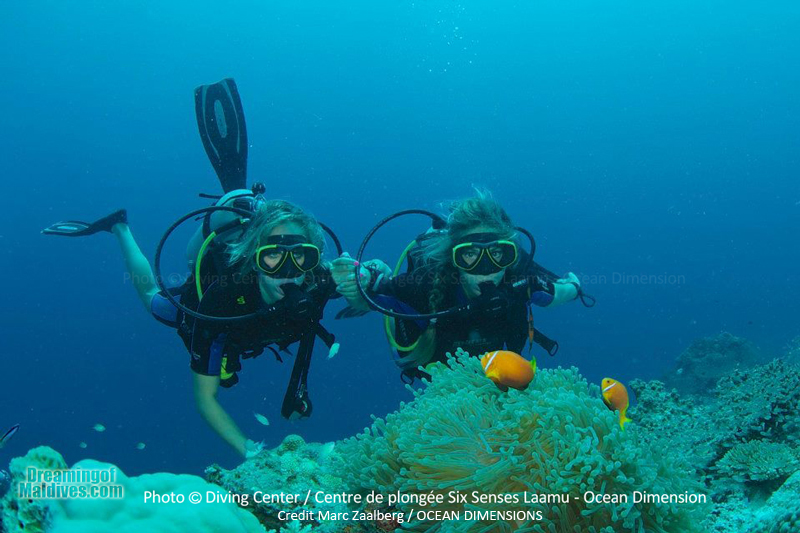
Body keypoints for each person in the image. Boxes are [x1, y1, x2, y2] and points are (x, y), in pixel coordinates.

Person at [42, 79, 354, 457]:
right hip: (211, 280)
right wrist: (251, 450)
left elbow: (375, 282)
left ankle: (239, 207)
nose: (287, 269)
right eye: (271, 256)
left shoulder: (318, 280)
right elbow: (206, 399)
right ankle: (120, 226)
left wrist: (365, 275)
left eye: (300, 256)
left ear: (312, 259)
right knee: (153, 298)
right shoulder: (219, 303)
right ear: (253, 260)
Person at [332, 190, 590, 381]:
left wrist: (575, 285)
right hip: (435, 373)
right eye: (470, 255)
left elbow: (557, 293)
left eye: (498, 254)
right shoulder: (426, 282)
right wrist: (358, 281)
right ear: (453, 258)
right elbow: (366, 297)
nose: (485, 269)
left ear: (509, 255)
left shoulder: (519, 276)